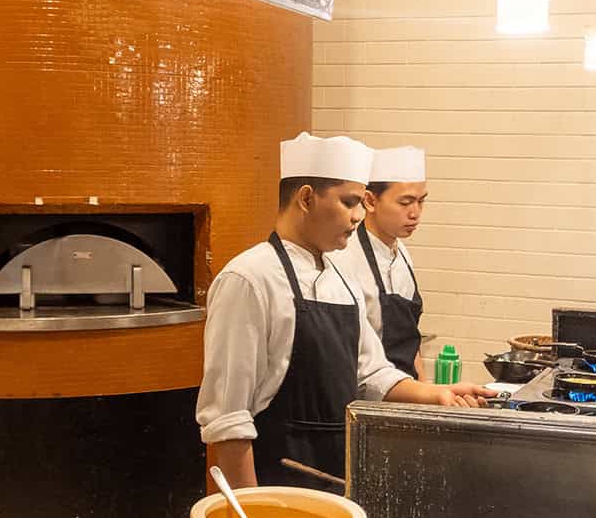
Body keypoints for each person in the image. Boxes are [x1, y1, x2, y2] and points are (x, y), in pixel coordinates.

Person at [196, 133, 492, 491]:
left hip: (335, 476)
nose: (357, 216)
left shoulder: (341, 278)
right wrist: (253, 513)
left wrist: (439, 394)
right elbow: (228, 418)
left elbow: (371, 372)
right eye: (349, 202)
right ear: (306, 198)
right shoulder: (250, 278)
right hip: (275, 484)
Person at [332, 145, 428, 379]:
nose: (415, 213)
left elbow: (410, 339)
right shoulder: (344, 257)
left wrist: (426, 388)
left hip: (408, 386)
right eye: (405, 203)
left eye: (421, 201)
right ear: (370, 201)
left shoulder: (402, 253)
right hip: (366, 390)